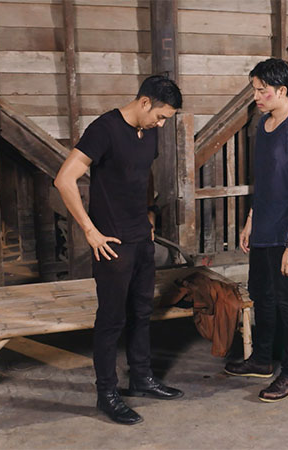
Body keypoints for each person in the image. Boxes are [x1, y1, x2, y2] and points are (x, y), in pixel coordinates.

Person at [54, 75, 184, 425]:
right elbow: (64, 179)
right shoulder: (104, 129)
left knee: (142, 312)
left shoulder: (149, 131)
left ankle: (141, 378)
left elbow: (146, 172)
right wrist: (90, 231)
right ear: (144, 102)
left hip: (141, 238)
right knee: (112, 319)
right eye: (160, 117)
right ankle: (107, 393)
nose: (161, 124)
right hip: (112, 243)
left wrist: (150, 214)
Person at [224, 58, 288, 402]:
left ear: (281, 90)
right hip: (264, 225)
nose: (256, 97)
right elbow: (263, 182)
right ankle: (262, 360)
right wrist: (251, 220)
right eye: (254, 90)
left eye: (262, 91)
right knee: (261, 293)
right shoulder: (263, 125)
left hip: (287, 231)